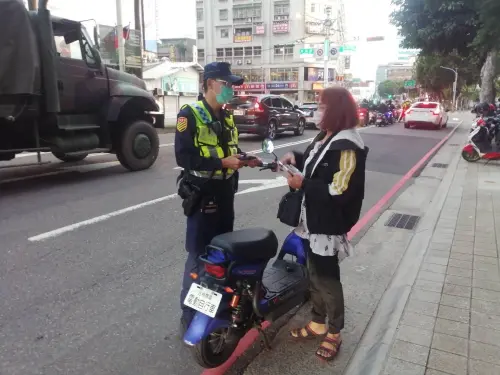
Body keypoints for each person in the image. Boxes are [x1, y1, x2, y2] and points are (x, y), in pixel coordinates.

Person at [281, 87, 367, 361]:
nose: (316, 110)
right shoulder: (326, 136)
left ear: (336, 110)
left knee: (328, 279)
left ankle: (335, 331)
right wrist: (295, 158)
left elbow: (340, 190)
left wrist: (303, 183)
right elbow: (317, 164)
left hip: (327, 223)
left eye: (321, 105)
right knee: (313, 274)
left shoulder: (347, 145)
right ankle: (318, 321)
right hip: (312, 219)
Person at [175, 62, 261, 330]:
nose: (231, 90)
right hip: (203, 195)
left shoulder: (226, 115)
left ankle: (220, 310)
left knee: (224, 253)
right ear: (211, 83)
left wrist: (245, 160)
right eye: (227, 85)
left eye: (233, 85)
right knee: (200, 256)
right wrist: (223, 164)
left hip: (225, 194)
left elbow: (228, 150)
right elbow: (184, 157)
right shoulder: (189, 114)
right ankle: (189, 316)